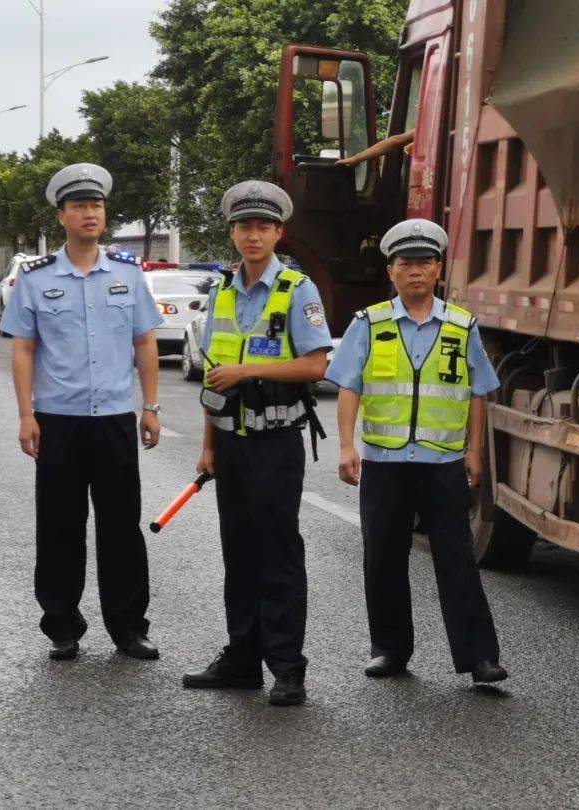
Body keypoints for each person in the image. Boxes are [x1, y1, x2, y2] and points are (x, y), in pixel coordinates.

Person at [326, 218, 507, 684]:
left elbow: (477, 392)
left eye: (424, 262)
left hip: (442, 464)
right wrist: (347, 446)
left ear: (438, 269)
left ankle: (479, 658)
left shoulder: (462, 326)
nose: (415, 271)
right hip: (385, 463)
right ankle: (389, 650)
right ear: (391, 271)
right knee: (382, 558)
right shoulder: (369, 323)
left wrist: (473, 453)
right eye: (405, 263)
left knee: (457, 559)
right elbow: (349, 386)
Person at [2, 163, 164, 662]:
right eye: (79, 206)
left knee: (121, 527)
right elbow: (24, 349)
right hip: (58, 420)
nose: (89, 213)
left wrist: (151, 407)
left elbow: (144, 341)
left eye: (95, 205)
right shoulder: (35, 278)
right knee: (59, 526)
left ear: (104, 214)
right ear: (62, 216)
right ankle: (62, 626)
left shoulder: (127, 273)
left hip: (114, 418)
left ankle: (129, 627)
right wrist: (26, 414)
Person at [182, 181, 332, 707]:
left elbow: (317, 364)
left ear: (278, 233)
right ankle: (242, 658)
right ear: (232, 233)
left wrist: (248, 370)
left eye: (263, 227)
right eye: (244, 227)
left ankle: (288, 667)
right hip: (228, 443)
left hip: (275, 444)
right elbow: (211, 378)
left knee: (278, 555)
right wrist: (207, 448)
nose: (253, 235)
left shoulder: (296, 289)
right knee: (238, 555)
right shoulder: (222, 290)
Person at [335, 130, 415, 167]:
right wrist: (356, 158)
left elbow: (396, 141)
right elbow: (395, 141)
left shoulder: (424, 128)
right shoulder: (423, 129)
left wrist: (356, 159)